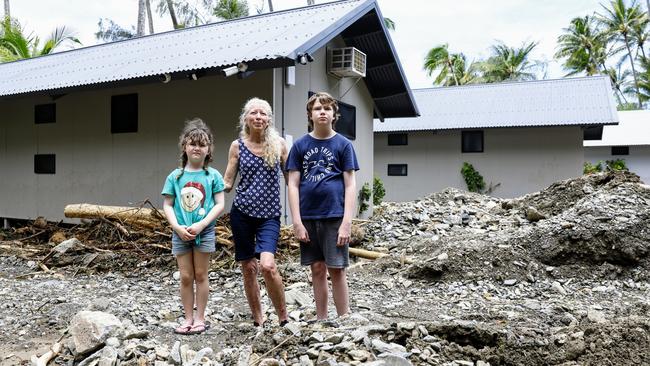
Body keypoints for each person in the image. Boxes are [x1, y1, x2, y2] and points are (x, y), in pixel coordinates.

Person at [286, 91, 358, 321]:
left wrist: (347, 222)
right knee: (316, 268)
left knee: (337, 268)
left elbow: (350, 184)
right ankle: (321, 319)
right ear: (310, 114)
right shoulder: (300, 145)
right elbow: (293, 184)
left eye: (327, 108)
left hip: (335, 215)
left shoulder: (344, 145)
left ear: (334, 114)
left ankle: (344, 318)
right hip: (308, 216)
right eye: (318, 108)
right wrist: (296, 221)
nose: (323, 112)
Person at [223, 98, 289, 327]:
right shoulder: (237, 146)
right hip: (241, 214)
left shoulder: (279, 144)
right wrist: (201, 183)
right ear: (246, 118)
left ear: (269, 119)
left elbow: (292, 180)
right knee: (249, 268)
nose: (258, 116)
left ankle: (283, 316)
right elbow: (227, 182)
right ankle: (259, 320)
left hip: (269, 215)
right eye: (253, 113)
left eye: (263, 113)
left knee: (268, 266)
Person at [162, 118, 225, 335]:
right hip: (180, 232)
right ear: (184, 146)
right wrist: (177, 227)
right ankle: (187, 318)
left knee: (201, 275)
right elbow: (168, 205)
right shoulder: (175, 176)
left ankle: (200, 318)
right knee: (186, 276)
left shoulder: (213, 175)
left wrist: (201, 224)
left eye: (202, 144)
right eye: (192, 143)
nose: (197, 148)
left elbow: (219, 204)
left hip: (204, 231)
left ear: (208, 149)